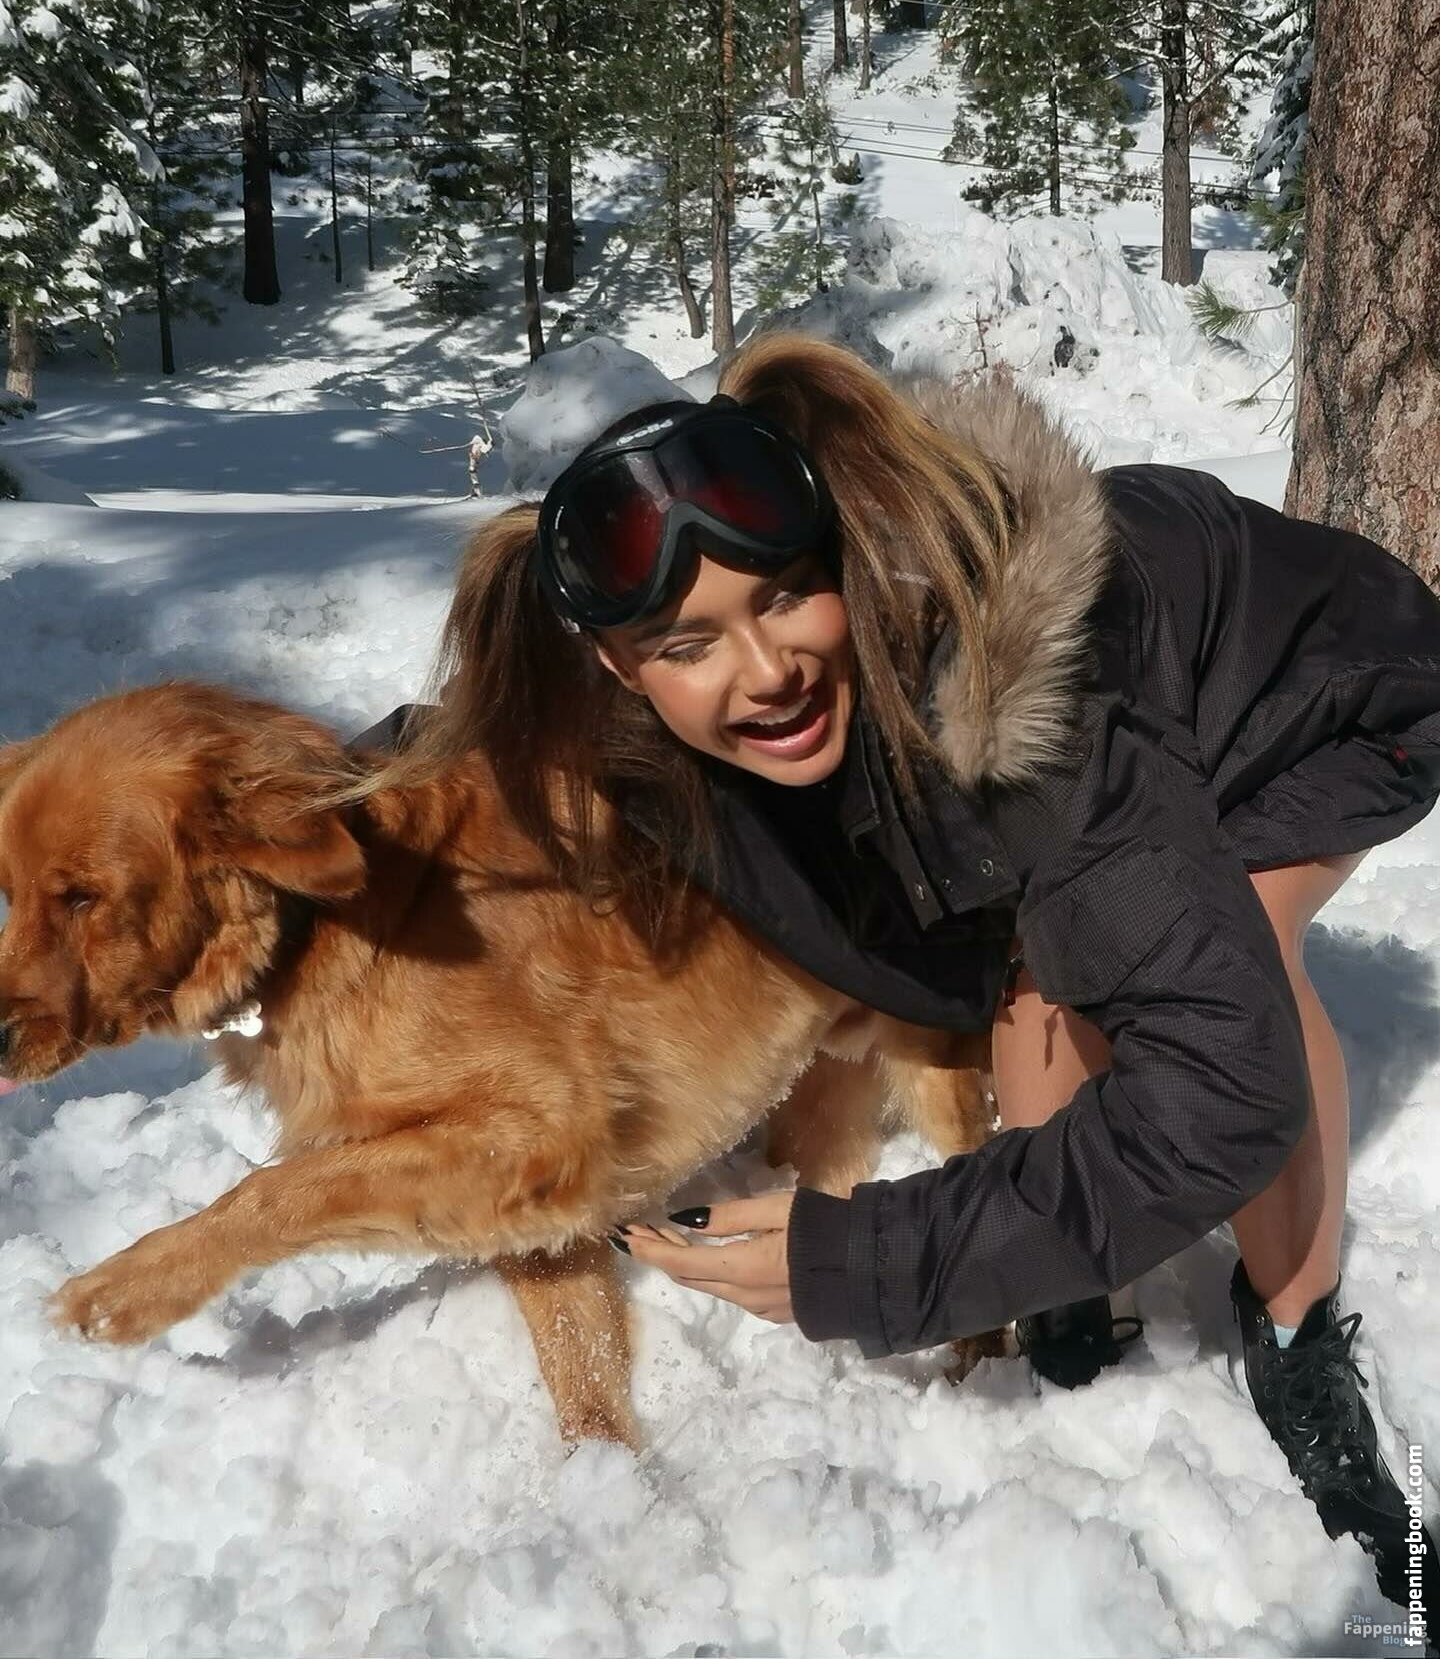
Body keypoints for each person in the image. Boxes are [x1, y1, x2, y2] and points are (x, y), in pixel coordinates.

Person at [356, 333, 1438, 1626]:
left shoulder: (1013, 700)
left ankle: (1294, 1327)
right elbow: (457, 757)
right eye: (691, 643)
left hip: (1318, 700)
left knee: (1235, 954)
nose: (765, 670)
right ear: (618, 665)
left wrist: (888, 1260)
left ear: (839, 561)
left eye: (783, 597)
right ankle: (1070, 1290)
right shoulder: (639, 703)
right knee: (1044, 967)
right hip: (1121, 739)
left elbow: (1224, 1084)